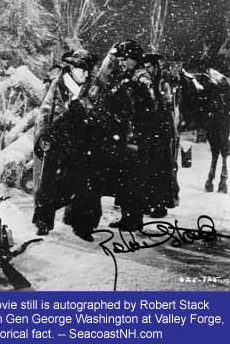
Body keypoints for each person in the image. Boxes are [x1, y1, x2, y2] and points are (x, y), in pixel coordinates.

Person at [32, 49, 100, 241]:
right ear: (72, 68)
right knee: (49, 183)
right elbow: (45, 111)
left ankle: (83, 226)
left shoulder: (92, 87)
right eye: (82, 70)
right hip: (59, 140)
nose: (86, 74)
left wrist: (84, 108)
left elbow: (96, 110)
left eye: (88, 70)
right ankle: (43, 222)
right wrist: (44, 134)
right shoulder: (58, 85)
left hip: (82, 142)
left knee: (85, 186)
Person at [108, 39, 154, 230]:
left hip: (136, 138)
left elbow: (150, 110)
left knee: (134, 179)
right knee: (125, 179)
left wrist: (137, 133)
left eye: (125, 59)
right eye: (120, 59)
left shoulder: (141, 79)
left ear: (134, 59)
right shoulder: (127, 78)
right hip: (125, 137)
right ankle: (127, 216)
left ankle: (134, 219)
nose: (121, 62)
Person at [142, 52, 180, 216]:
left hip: (163, 130)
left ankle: (160, 204)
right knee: (149, 167)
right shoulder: (150, 81)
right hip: (152, 130)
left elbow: (164, 105)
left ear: (155, 66)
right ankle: (150, 201)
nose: (147, 70)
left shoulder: (163, 82)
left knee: (162, 168)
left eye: (149, 67)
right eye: (145, 67)